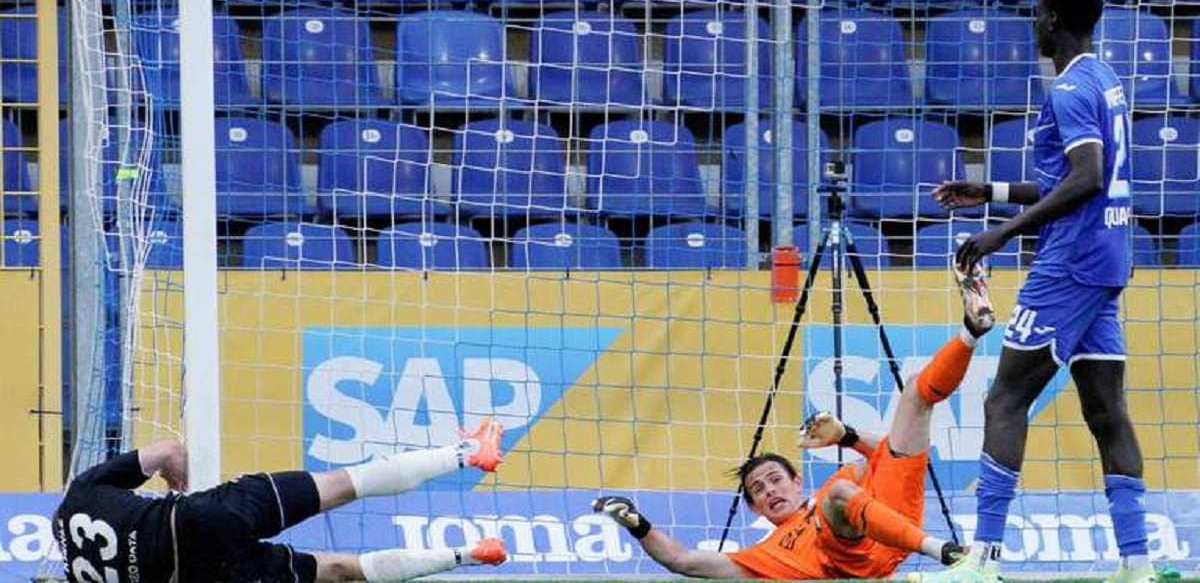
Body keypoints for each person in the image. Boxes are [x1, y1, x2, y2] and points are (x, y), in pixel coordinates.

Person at [915, 0, 1152, 583]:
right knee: (1106, 410)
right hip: (1106, 261)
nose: (1034, 22)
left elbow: (1087, 176)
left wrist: (1004, 231)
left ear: (1053, 21)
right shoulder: (1106, 79)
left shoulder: (1069, 90)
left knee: (1005, 397)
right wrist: (989, 192)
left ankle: (982, 559)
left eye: (1039, 12)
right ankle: (1138, 562)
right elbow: (1073, 177)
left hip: (1068, 264)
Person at [594, 266, 996, 579]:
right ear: (754, 509)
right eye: (758, 489)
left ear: (796, 482)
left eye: (774, 479)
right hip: (864, 557)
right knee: (839, 492)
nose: (769, 490)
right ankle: (951, 554)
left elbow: (892, 459)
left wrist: (848, 435)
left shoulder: (829, 490)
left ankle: (971, 330)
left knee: (914, 395)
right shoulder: (766, 558)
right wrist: (638, 525)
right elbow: (682, 560)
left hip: (895, 524)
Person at [54, 418, 510, 582]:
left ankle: (467, 555)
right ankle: (468, 453)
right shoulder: (81, 495)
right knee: (345, 484)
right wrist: (182, 483)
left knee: (338, 571)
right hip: (200, 517)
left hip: (200, 573)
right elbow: (170, 452)